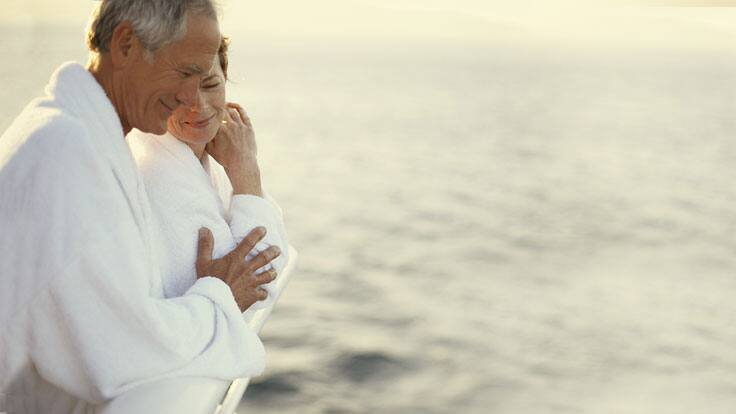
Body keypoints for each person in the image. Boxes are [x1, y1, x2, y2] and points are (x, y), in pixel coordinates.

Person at [0, 1, 283, 413]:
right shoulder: (64, 155)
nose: (192, 100)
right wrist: (220, 295)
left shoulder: (71, 131)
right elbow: (118, 351)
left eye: (207, 79)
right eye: (185, 73)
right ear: (127, 44)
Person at [127, 37, 290, 325]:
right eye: (177, 92)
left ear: (225, 78)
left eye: (210, 84)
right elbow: (260, 287)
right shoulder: (158, 176)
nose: (198, 105)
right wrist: (245, 170)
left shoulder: (207, 160)